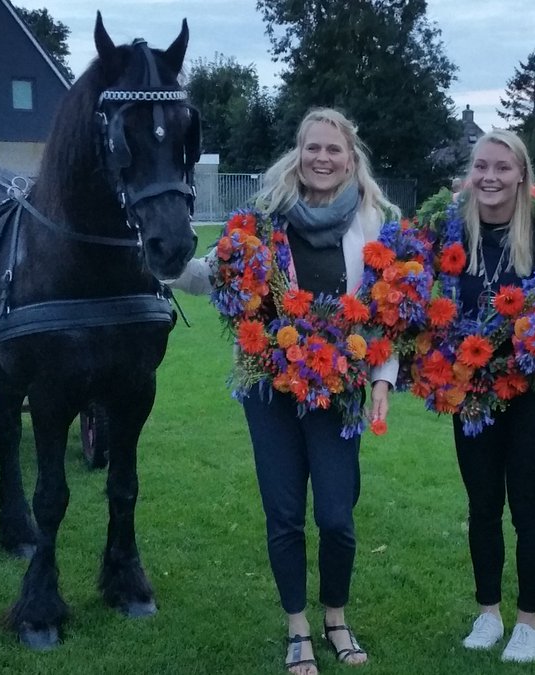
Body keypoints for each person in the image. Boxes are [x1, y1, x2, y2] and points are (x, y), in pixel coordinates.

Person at [171, 108, 397, 675]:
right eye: (312, 148)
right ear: (298, 153)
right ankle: (298, 626)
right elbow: (214, 275)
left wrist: (382, 378)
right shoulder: (262, 219)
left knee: (339, 517)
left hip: (337, 390)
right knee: (285, 512)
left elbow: (387, 313)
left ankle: (336, 618)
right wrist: (165, 264)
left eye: (333, 150)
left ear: (351, 157)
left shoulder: (375, 223)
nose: (322, 159)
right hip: (269, 388)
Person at [439, 129, 535, 663]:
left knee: (527, 508)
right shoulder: (450, 234)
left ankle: (528, 624)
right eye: (481, 167)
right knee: (483, 506)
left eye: (502, 167)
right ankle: (489, 613)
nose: (490, 177)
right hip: (471, 394)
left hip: (534, 392)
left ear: (521, 176)